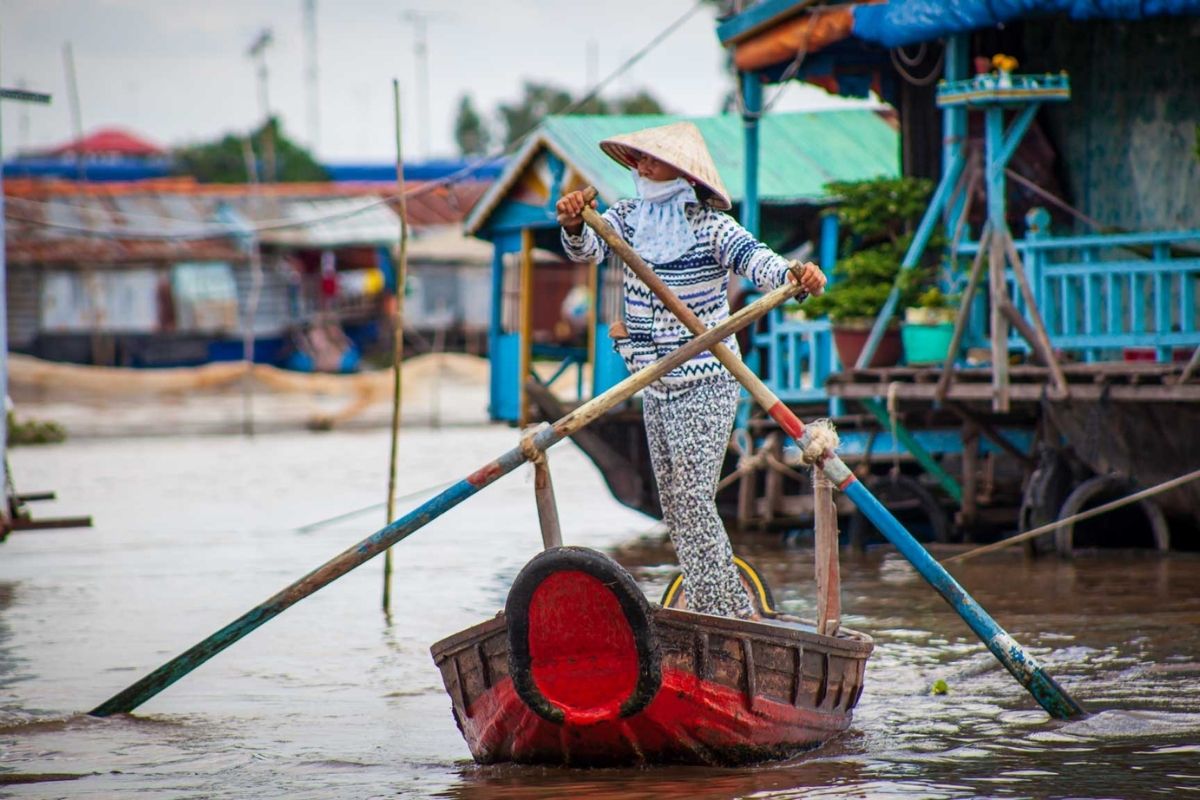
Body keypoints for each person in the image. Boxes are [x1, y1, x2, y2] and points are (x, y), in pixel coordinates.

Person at [556, 121, 826, 619]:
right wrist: (574, 223)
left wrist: (796, 275)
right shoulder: (628, 219)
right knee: (674, 506)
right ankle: (706, 604)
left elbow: (758, 261)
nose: (640, 166)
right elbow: (587, 250)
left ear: (679, 172)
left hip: (707, 378)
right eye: (637, 159)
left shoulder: (710, 226)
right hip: (653, 381)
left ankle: (726, 612)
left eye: (650, 160)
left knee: (695, 499)